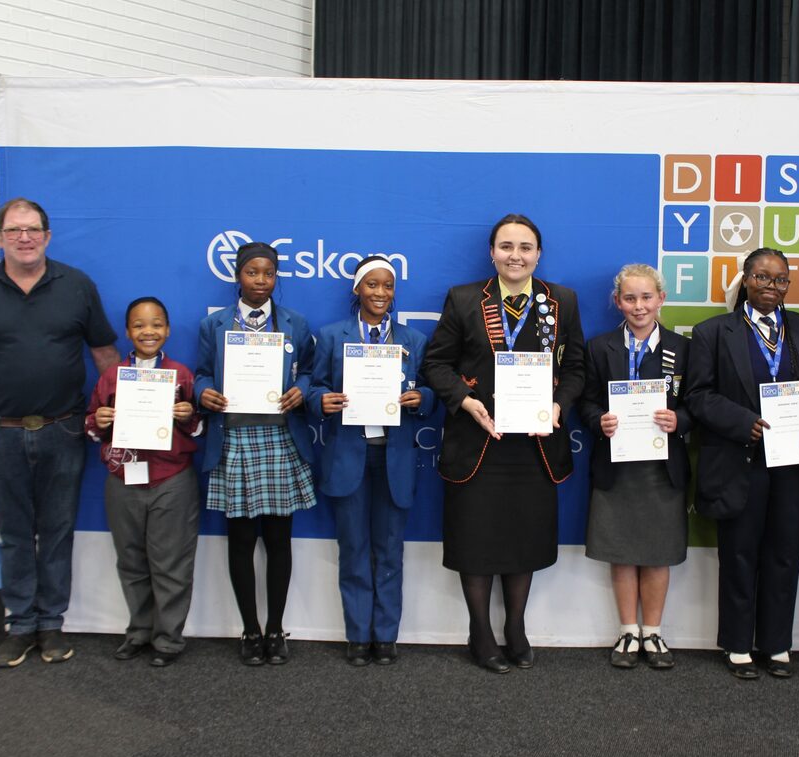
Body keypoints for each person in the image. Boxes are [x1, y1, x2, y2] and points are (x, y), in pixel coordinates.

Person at [0, 197, 119, 668]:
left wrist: (121, 416)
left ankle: (51, 624)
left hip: (63, 431)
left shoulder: (77, 286)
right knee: (15, 535)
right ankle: (20, 623)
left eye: (33, 229)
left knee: (58, 531)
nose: (24, 237)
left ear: (47, 235)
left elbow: (105, 357)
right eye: (14, 230)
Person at [420, 213, 585, 673]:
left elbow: (576, 370)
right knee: (476, 539)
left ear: (538, 254)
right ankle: (480, 631)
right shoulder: (465, 298)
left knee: (523, 536)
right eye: (507, 246)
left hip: (533, 445)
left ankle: (516, 626)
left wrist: (557, 407)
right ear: (492, 252)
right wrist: (466, 402)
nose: (516, 256)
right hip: (479, 442)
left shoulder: (562, 301)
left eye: (525, 247)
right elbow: (436, 365)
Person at [683, 247, 799, 679]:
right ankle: (737, 644)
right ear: (745, 280)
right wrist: (742, 422)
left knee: (786, 554)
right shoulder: (714, 332)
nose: (772, 286)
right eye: (763, 278)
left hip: (792, 464)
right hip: (739, 460)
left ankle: (776, 643)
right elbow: (698, 395)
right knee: (740, 555)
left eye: (780, 279)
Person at [307, 256, 436, 667]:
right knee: (354, 549)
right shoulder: (331, 337)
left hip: (393, 458)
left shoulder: (412, 340)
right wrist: (319, 401)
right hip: (348, 457)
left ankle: (386, 636)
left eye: (388, 286)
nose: (381, 293)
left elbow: (430, 393)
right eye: (373, 285)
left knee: (390, 550)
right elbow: (314, 388)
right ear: (357, 290)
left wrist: (423, 399)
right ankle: (357, 635)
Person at [195, 241, 317, 667]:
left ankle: (275, 628)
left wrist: (303, 391)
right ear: (238, 276)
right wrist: (200, 391)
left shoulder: (296, 325)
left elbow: (314, 377)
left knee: (279, 540)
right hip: (233, 441)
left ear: (276, 277)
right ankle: (249, 629)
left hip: (279, 440)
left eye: (268, 274)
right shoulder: (214, 326)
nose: (260, 281)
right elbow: (202, 373)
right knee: (242, 540)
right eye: (252, 273)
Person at [579, 264, 690, 669]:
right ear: (617, 302)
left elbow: (696, 402)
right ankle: (628, 630)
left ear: (661, 299)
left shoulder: (683, 348)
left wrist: (681, 420)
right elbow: (586, 401)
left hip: (662, 467)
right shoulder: (599, 347)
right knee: (622, 551)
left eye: (646, 297)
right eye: (630, 298)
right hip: (616, 464)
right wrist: (598, 420)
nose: (639, 306)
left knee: (657, 552)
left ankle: (654, 633)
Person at [85, 296, 203, 668]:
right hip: (123, 480)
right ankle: (138, 631)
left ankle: (167, 640)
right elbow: (90, 427)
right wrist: (99, 421)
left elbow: (200, 429)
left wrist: (187, 415)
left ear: (167, 330)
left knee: (171, 563)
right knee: (131, 560)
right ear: (127, 332)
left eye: (155, 325)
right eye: (139, 325)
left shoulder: (182, 375)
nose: (148, 332)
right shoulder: (112, 376)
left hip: (170, 479)